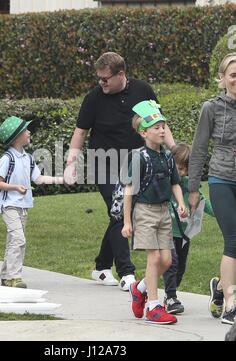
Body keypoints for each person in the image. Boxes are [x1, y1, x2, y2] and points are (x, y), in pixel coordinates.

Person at [64, 52, 175, 291]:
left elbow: (160, 123)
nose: (101, 83)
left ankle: (102, 266)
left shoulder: (142, 90)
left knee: (121, 212)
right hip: (103, 163)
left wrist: (174, 151)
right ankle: (127, 272)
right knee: (119, 212)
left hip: (136, 164)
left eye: (106, 78)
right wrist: (70, 164)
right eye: (99, 78)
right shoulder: (93, 98)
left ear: (121, 74)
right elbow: (80, 132)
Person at [122, 100, 186, 324]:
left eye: (163, 126)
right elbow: (129, 190)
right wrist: (127, 221)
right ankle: (154, 306)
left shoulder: (168, 157)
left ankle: (139, 289)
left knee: (167, 261)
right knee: (155, 257)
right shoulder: (140, 157)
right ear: (143, 133)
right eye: (156, 127)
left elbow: (175, 183)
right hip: (144, 212)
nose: (162, 130)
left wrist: (180, 203)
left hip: (163, 212)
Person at [188, 53, 236, 325]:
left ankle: (219, 288)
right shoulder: (211, 108)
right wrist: (193, 188)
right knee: (233, 239)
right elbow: (198, 150)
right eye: (233, 74)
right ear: (222, 79)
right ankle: (230, 303)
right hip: (222, 179)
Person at [0, 116, 64, 288]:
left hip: (23, 206)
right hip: (9, 205)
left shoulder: (27, 158)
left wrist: (61, 180)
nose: (29, 132)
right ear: (17, 136)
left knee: (15, 240)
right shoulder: (7, 159)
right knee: (19, 239)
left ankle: (6, 276)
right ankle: (14, 277)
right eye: (26, 130)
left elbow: (38, 179)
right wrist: (16, 187)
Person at [162, 143, 215, 314]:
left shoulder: (192, 189)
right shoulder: (166, 185)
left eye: (186, 170)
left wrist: (223, 213)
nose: (182, 173)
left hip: (184, 235)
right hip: (167, 231)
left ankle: (168, 292)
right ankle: (170, 297)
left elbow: (206, 205)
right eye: (179, 168)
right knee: (172, 262)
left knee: (180, 267)